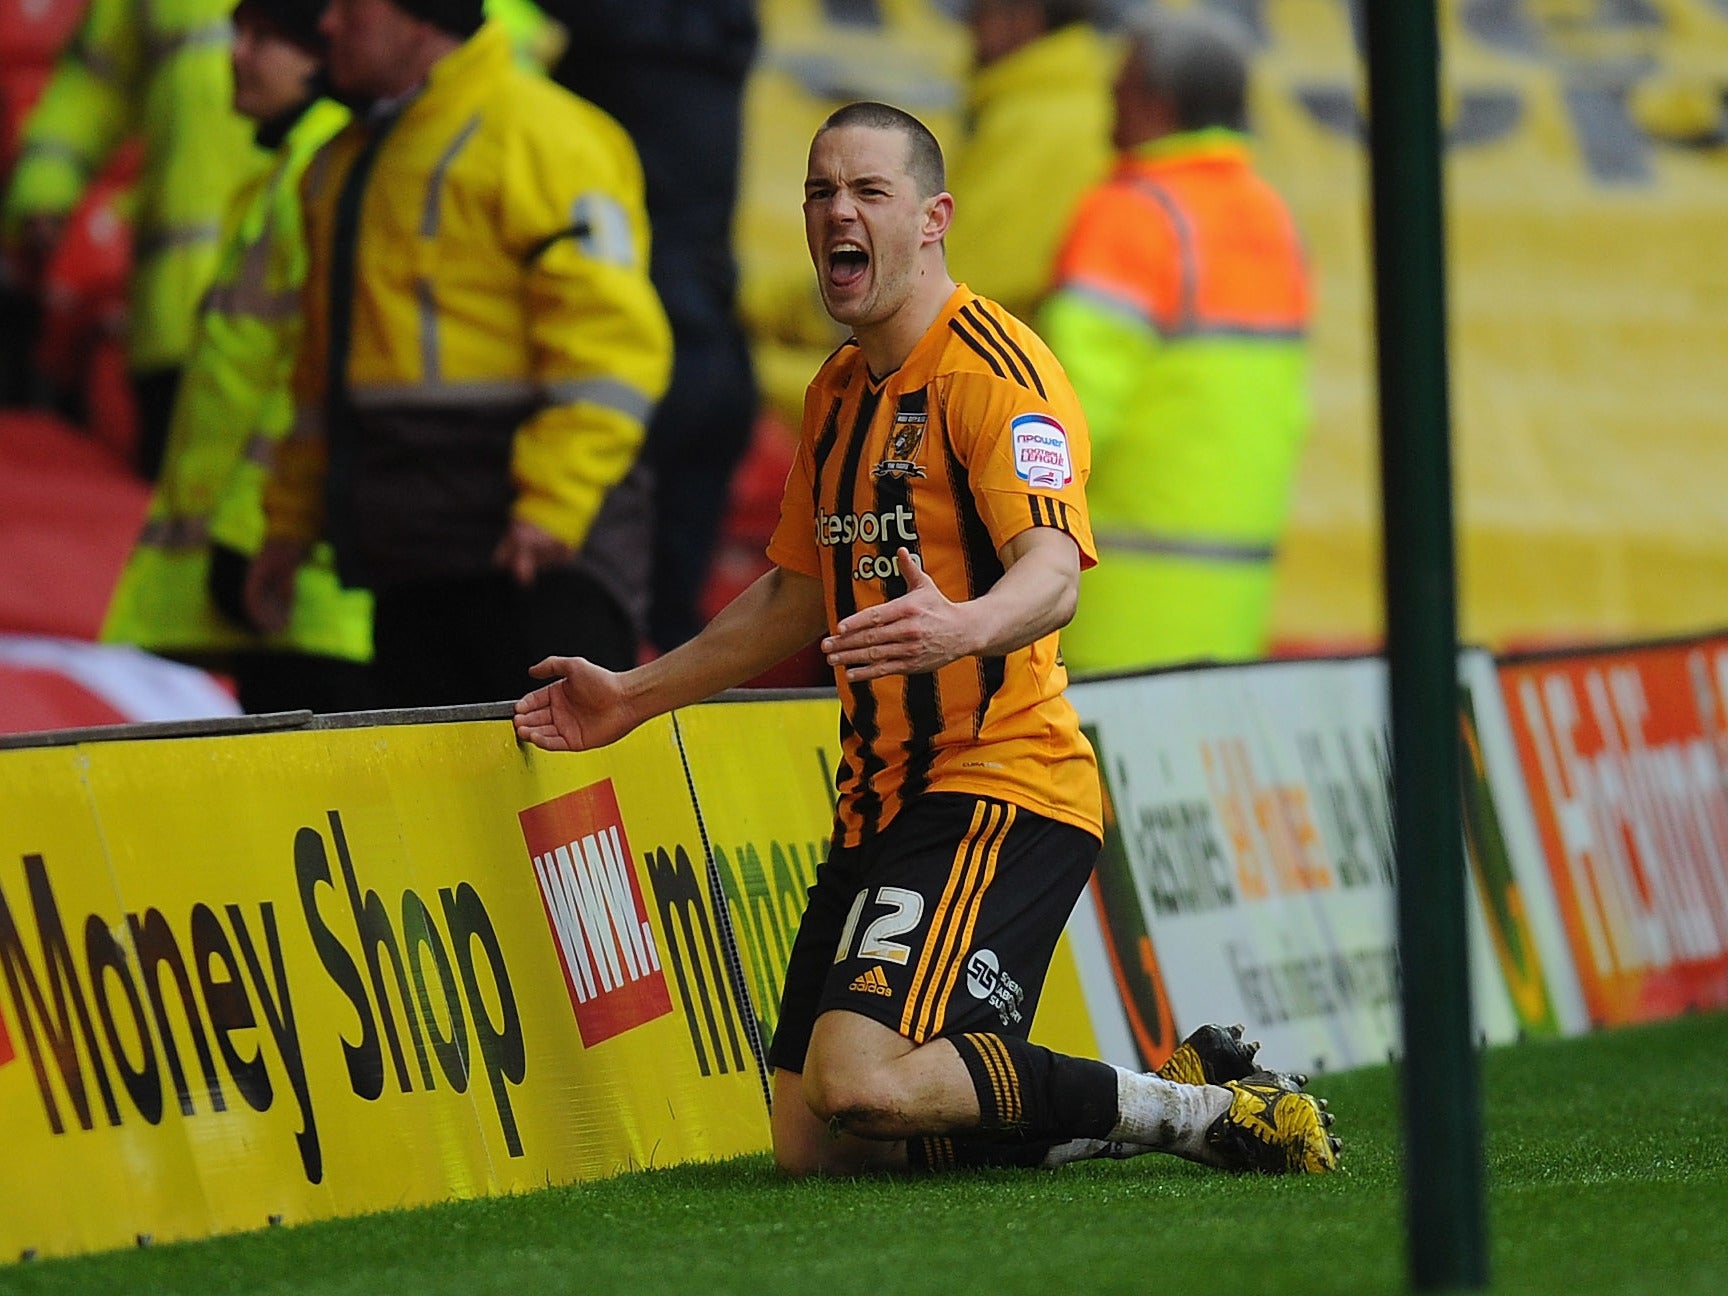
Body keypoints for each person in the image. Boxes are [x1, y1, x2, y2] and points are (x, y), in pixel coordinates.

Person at [515, 101, 1340, 1178]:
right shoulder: (836, 392)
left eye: (868, 192)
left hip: (1003, 783)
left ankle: (1198, 1119)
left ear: (933, 218)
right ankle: (1154, 1094)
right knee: (822, 1144)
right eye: (819, 192)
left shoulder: (995, 372)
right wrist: (636, 695)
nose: (836, 214)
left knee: (861, 1081)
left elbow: (1050, 575)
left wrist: (964, 623)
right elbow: (795, 597)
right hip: (879, 802)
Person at [245, 0, 672, 708]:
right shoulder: (340, 163)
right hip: (410, 563)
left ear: (418, 18)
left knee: (563, 808)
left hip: (542, 560)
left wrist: (555, 501)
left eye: (350, 6)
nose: (326, 24)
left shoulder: (547, 137)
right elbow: (320, 379)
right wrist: (288, 524)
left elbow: (614, 348)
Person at [101, 0, 373, 716]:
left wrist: (252, 532)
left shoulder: (319, 171)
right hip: (293, 591)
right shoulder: (294, 168)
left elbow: (308, 376)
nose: (236, 54)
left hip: (300, 588)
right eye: (238, 33)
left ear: (322, 53)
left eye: (265, 39)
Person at [1038, 4, 1312, 673]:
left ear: (1156, 103)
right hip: (1234, 590)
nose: (1107, 94)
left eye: (1120, 82)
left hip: (1106, 593)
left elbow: (1066, 413)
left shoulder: (1131, 216)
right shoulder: (1271, 218)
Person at [543, 0, 762, 653]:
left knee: (588, 635)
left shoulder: (604, 42)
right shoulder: (723, 35)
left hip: (638, 359)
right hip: (718, 350)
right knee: (667, 640)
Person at [1, 0, 260, 480]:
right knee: (172, 531)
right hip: (174, 316)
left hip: (291, 322)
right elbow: (94, 84)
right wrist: (45, 188)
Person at [944, 0, 1114, 325]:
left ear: (1023, 18)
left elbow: (955, 285)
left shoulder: (1034, 120)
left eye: (981, 12)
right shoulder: (1064, 100)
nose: (970, 28)